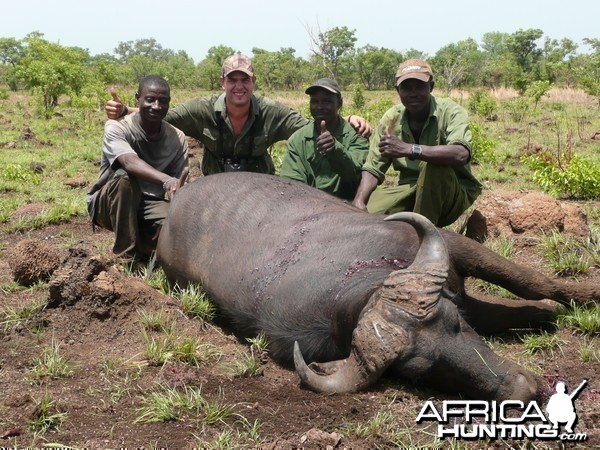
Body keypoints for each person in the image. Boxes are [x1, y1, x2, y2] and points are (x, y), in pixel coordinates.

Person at [106, 54, 371, 176]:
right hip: (215, 182)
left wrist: (347, 119)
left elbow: (309, 126)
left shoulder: (271, 111)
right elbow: (161, 113)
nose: (239, 86)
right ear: (222, 82)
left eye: (244, 80)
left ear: (253, 82)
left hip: (259, 184)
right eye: (232, 80)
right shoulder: (202, 109)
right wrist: (125, 111)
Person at [352, 58, 482, 227]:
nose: (413, 93)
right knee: (365, 216)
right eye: (406, 88)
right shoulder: (391, 118)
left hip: (451, 191)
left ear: (431, 87)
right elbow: (373, 167)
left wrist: (409, 149)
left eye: (420, 87)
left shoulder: (451, 111)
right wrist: (359, 201)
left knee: (433, 164)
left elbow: (460, 154)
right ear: (398, 90)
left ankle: (422, 235)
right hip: (409, 188)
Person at [87, 75, 188, 261]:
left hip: (149, 203)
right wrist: (166, 180)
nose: (156, 106)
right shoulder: (117, 127)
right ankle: (126, 256)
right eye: (150, 100)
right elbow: (128, 162)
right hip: (110, 202)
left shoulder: (177, 137)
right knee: (124, 177)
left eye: (162, 101)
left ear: (169, 102)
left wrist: (171, 219)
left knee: (182, 226)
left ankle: (147, 244)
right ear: (138, 99)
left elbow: (180, 185)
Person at [280, 78, 369, 200]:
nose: (320, 107)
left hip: (348, 206)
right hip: (307, 205)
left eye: (327, 101)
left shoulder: (356, 134)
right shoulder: (298, 139)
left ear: (339, 103)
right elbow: (291, 182)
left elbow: (353, 174)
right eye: (315, 101)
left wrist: (335, 149)